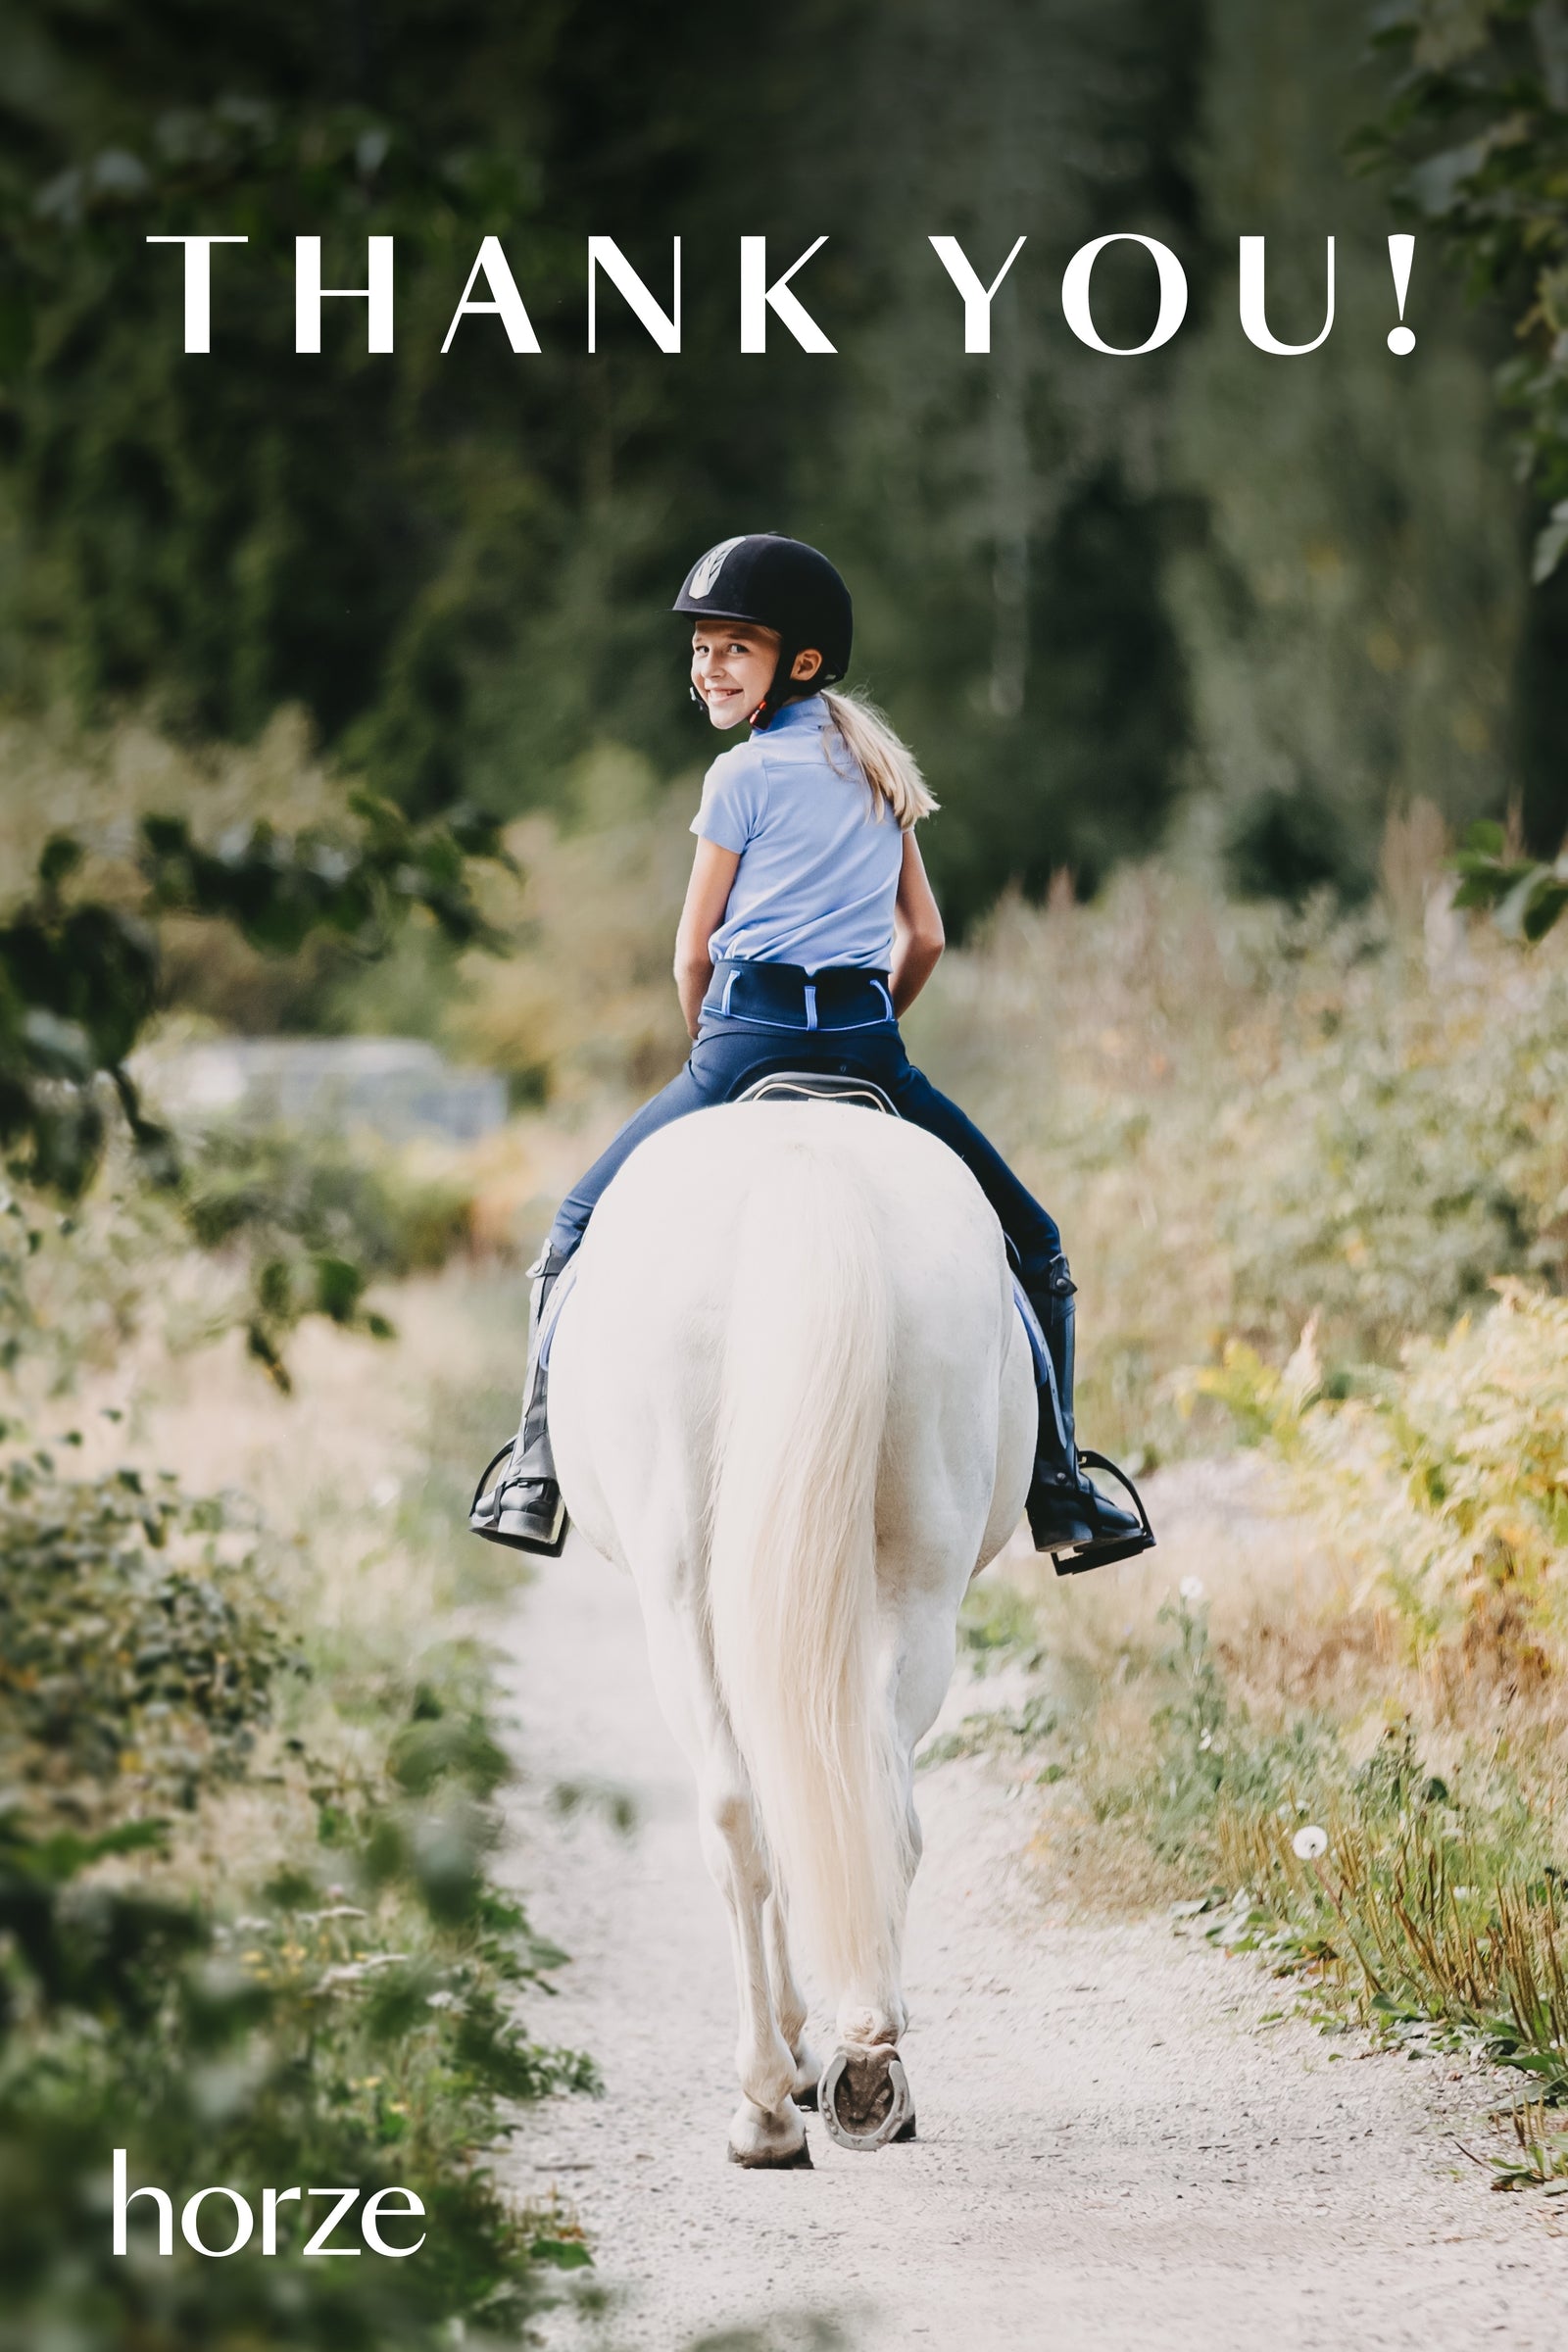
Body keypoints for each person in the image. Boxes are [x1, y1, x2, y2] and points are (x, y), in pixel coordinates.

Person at [469, 534, 1153, 1575]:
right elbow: (922, 937)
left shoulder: (737, 776)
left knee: (570, 1231)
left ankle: (533, 1471)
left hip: (739, 1047)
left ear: (797, 662)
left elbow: (690, 950)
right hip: (871, 1051)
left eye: (732, 649)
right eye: (702, 649)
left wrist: (718, 1049)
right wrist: (873, 1023)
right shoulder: (879, 774)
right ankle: (1062, 1492)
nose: (708, 669)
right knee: (1038, 1248)